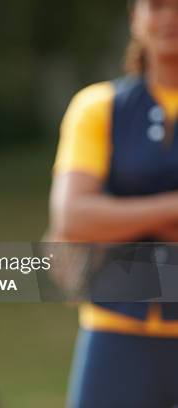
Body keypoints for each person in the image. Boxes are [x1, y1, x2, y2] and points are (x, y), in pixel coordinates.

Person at [49, 0, 178, 406]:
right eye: (157, 5)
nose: (170, 18)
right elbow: (72, 218)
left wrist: (121, 215)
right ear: (134, 17)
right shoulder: (98, 106)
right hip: (116, 330)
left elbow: (91, 217)